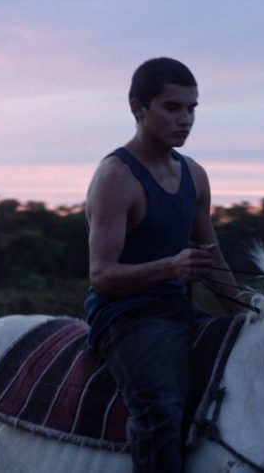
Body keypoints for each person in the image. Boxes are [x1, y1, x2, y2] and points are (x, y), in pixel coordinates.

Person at [84, 57, 244, 472]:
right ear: (139, 108)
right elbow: (101, 276)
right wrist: (169, 268)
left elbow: (213, 261)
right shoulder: (116, 177)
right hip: (127, 315)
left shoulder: (195, 175)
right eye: (172, 108)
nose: (185, 119)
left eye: (192, 108)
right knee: (160, 413)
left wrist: (247, 316)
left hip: (179, 308)